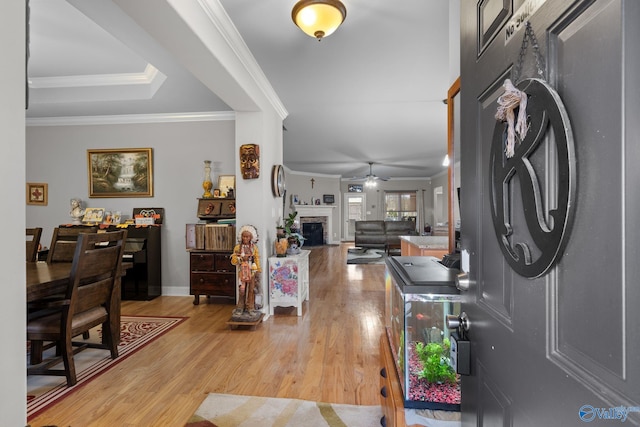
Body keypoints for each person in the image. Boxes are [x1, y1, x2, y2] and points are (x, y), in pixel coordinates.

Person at [230, 224, 262, 321]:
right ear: (241, 236)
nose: (245, 238)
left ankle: (250, 307)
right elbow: (233, 260)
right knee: (242, 290)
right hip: (242, 272)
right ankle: (240, 307)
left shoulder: (254, 248)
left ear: (251, 237)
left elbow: (256, 258)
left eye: (247, 236)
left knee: (251, 290)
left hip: (251, 272)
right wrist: (240, 259)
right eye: (244, 236)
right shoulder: (237, 248)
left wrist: (258, 270)